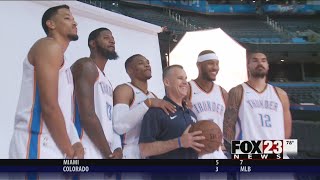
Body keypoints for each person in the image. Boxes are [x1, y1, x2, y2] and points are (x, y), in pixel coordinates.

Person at [9, 5, 83, 159]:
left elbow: (62, 110)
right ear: (51, 24)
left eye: (74, 19)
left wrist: (75, 142)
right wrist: (69, 152)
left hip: (54, 144)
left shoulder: (64, 62)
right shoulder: (48, 46)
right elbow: (49, 106)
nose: (74, 23)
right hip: (37, 141)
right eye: (67, 18)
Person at [223, 52, 293, 179]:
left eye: (263, 60)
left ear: (267, 65)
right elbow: (228, 128)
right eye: (255, 60)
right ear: (248, 66)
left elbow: (286, 130)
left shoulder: (280, 94)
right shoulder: (238, 91)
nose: (260, 63)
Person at [71, 28, 122, 159]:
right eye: (106, 37)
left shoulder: (107, 82)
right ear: (93, 43)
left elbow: (109, 121)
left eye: (113, 38)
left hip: (103, 149)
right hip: (84, 147)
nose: (112, 41)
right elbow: (87, 115)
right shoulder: (86, 65)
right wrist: (108, 155)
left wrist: (116, 148)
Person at [113, 54, 176, 159]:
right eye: (141, 63)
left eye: (148, 63)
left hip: (150, 153)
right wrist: (148, 103)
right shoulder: (125, 89)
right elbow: (119, 126)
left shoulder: (153, 96)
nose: (147, 65)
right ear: (130, 70)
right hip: (129, 152)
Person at [139, 65, 205, 159]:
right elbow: (144, 150)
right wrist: (179, 142)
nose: (185, 82)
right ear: (167, 82)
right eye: (180, 78)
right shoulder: (156, 112)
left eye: (186, 79)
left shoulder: (191, 114)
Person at [187, 50, 228, 159]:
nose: (215, 67)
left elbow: (229, 123)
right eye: (210, 63)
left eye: (217, 64)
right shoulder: (188, 89)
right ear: (199, 65)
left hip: (218, 151)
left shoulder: (222, 92)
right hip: (196, 151)